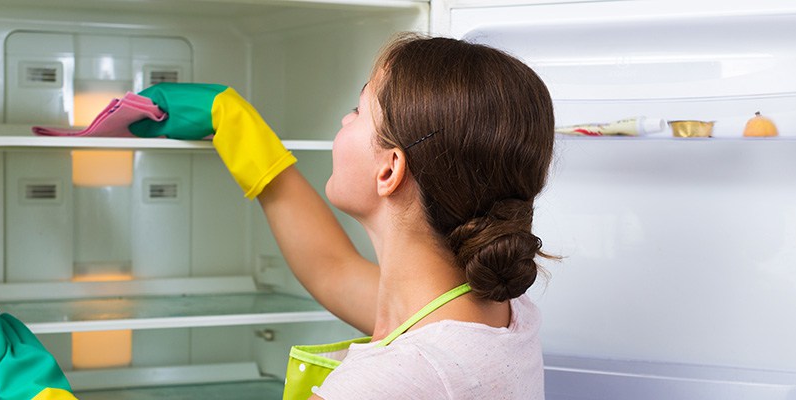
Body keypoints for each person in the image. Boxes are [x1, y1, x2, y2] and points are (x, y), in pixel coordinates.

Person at [133, 32, 555, 399]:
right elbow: (331, 268)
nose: (343, 118)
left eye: (358, 110)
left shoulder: (389, 382)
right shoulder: (495, 312)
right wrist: (239, 130)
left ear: (388, 170)